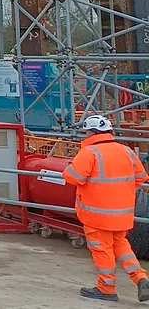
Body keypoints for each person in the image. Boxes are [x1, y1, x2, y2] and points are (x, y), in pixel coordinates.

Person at [65, 114, 149, 302]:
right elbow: (141, 178)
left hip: (96, 215)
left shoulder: (89, 152)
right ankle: (141, 278)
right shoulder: (126, 151)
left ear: (91, 132)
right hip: (122, 214)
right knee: (122, 247)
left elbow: (73, 177)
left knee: (101, 250)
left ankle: (106, 288)